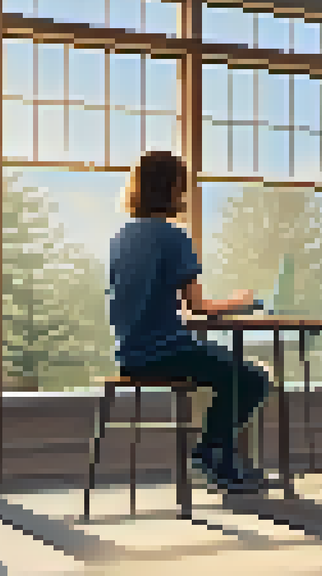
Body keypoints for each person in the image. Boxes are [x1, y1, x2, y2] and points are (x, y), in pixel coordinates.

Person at [107, 150, 272, 492]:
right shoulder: (172, 236)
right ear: (171, 189)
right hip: (164, 351)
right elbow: (198, 307)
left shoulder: (122, 237)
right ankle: (212, 452)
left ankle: (221, 456)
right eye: (181, 186)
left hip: (129, 355)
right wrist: (242, 301)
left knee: (229, 372)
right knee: (252, 378)